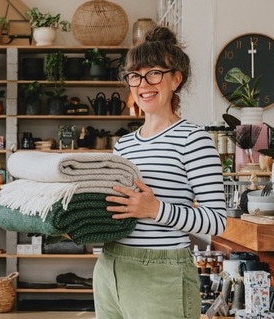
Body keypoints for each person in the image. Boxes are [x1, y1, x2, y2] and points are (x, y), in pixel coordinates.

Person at [93, 26, 227, 319]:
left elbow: (217, 221)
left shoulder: (194, 139)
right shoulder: (124, 145)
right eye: (135, 75)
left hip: (161, 273)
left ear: (175, 79)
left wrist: (155, 209)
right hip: (109, 267)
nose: (144, 83)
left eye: (154, 73)